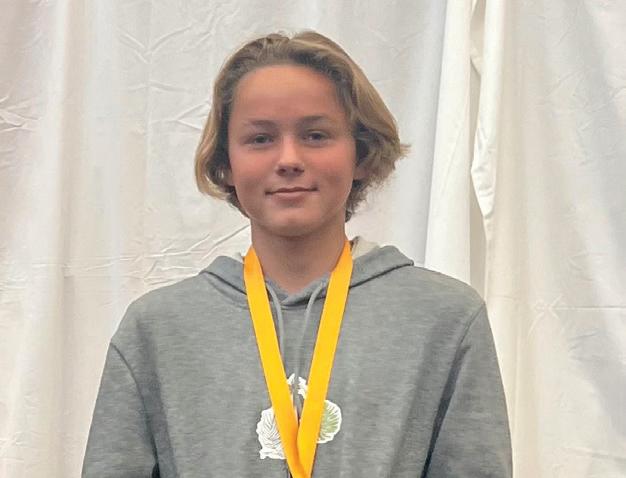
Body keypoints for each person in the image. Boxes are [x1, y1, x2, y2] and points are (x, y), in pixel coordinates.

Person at [82, 30, 512, 477]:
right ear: (225, 163)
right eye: (260, 139)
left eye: (316, 135)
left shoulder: (444, 319)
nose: (288, 158)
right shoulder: (156, 329)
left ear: (361, 154)